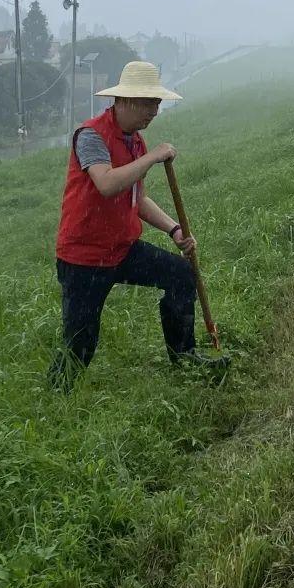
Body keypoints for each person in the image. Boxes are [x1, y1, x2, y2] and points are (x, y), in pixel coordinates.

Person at [50, 60, 204, 383]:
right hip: (85, 259)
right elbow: (106, 184)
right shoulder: (91, 136)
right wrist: (152, 158)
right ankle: (56, 397)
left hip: (122, 249)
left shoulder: (135, 141)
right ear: (123, 101)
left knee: (181, 274)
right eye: (148, 103)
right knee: (80, 345)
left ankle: (185, 359)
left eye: (157, 104)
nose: (153, 112)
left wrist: (174, 229)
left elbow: (138, 198)